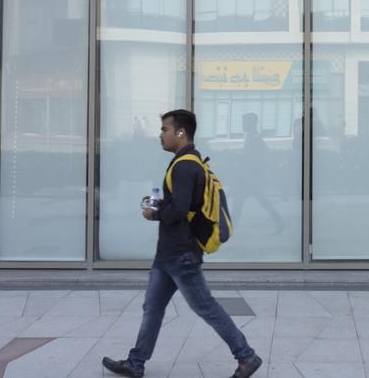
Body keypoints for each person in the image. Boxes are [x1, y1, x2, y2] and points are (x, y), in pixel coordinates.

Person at [103, 109, 262, 378]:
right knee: (152, 308)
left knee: (206, 308)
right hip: (168, 255)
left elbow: (178, 211)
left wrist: (154, 213)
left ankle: (246, 356)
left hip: (181, 255)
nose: (161, 135)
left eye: (165, 129)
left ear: (181, 132)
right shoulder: (188, 162)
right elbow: (182, 204)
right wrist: (159, 204)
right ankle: (136, 362)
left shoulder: (185, 166)